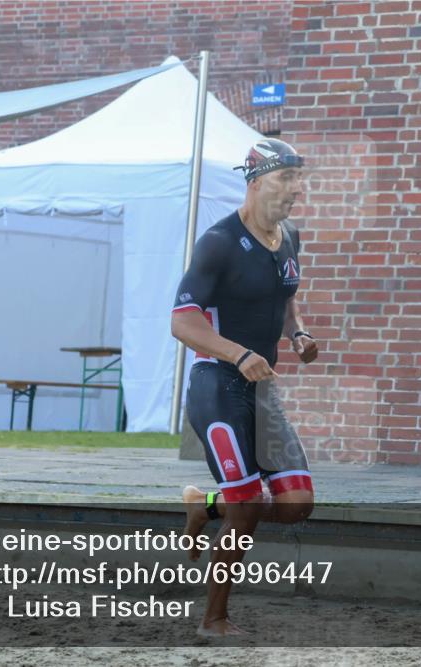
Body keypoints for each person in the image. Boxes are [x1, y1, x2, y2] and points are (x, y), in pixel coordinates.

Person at [170, 138, 318, 637]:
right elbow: (183, 323)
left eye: (299, 179)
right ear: (256, 183)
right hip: (218, 385)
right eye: (286, 179)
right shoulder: (218, 242)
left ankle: (205, 505)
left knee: (298, 505)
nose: (296, 190)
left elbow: (283, 293)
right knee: (249, 506)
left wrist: (295, 332)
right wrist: (240, 353)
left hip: (261, 389)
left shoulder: (289, 235)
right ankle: (214, 620)